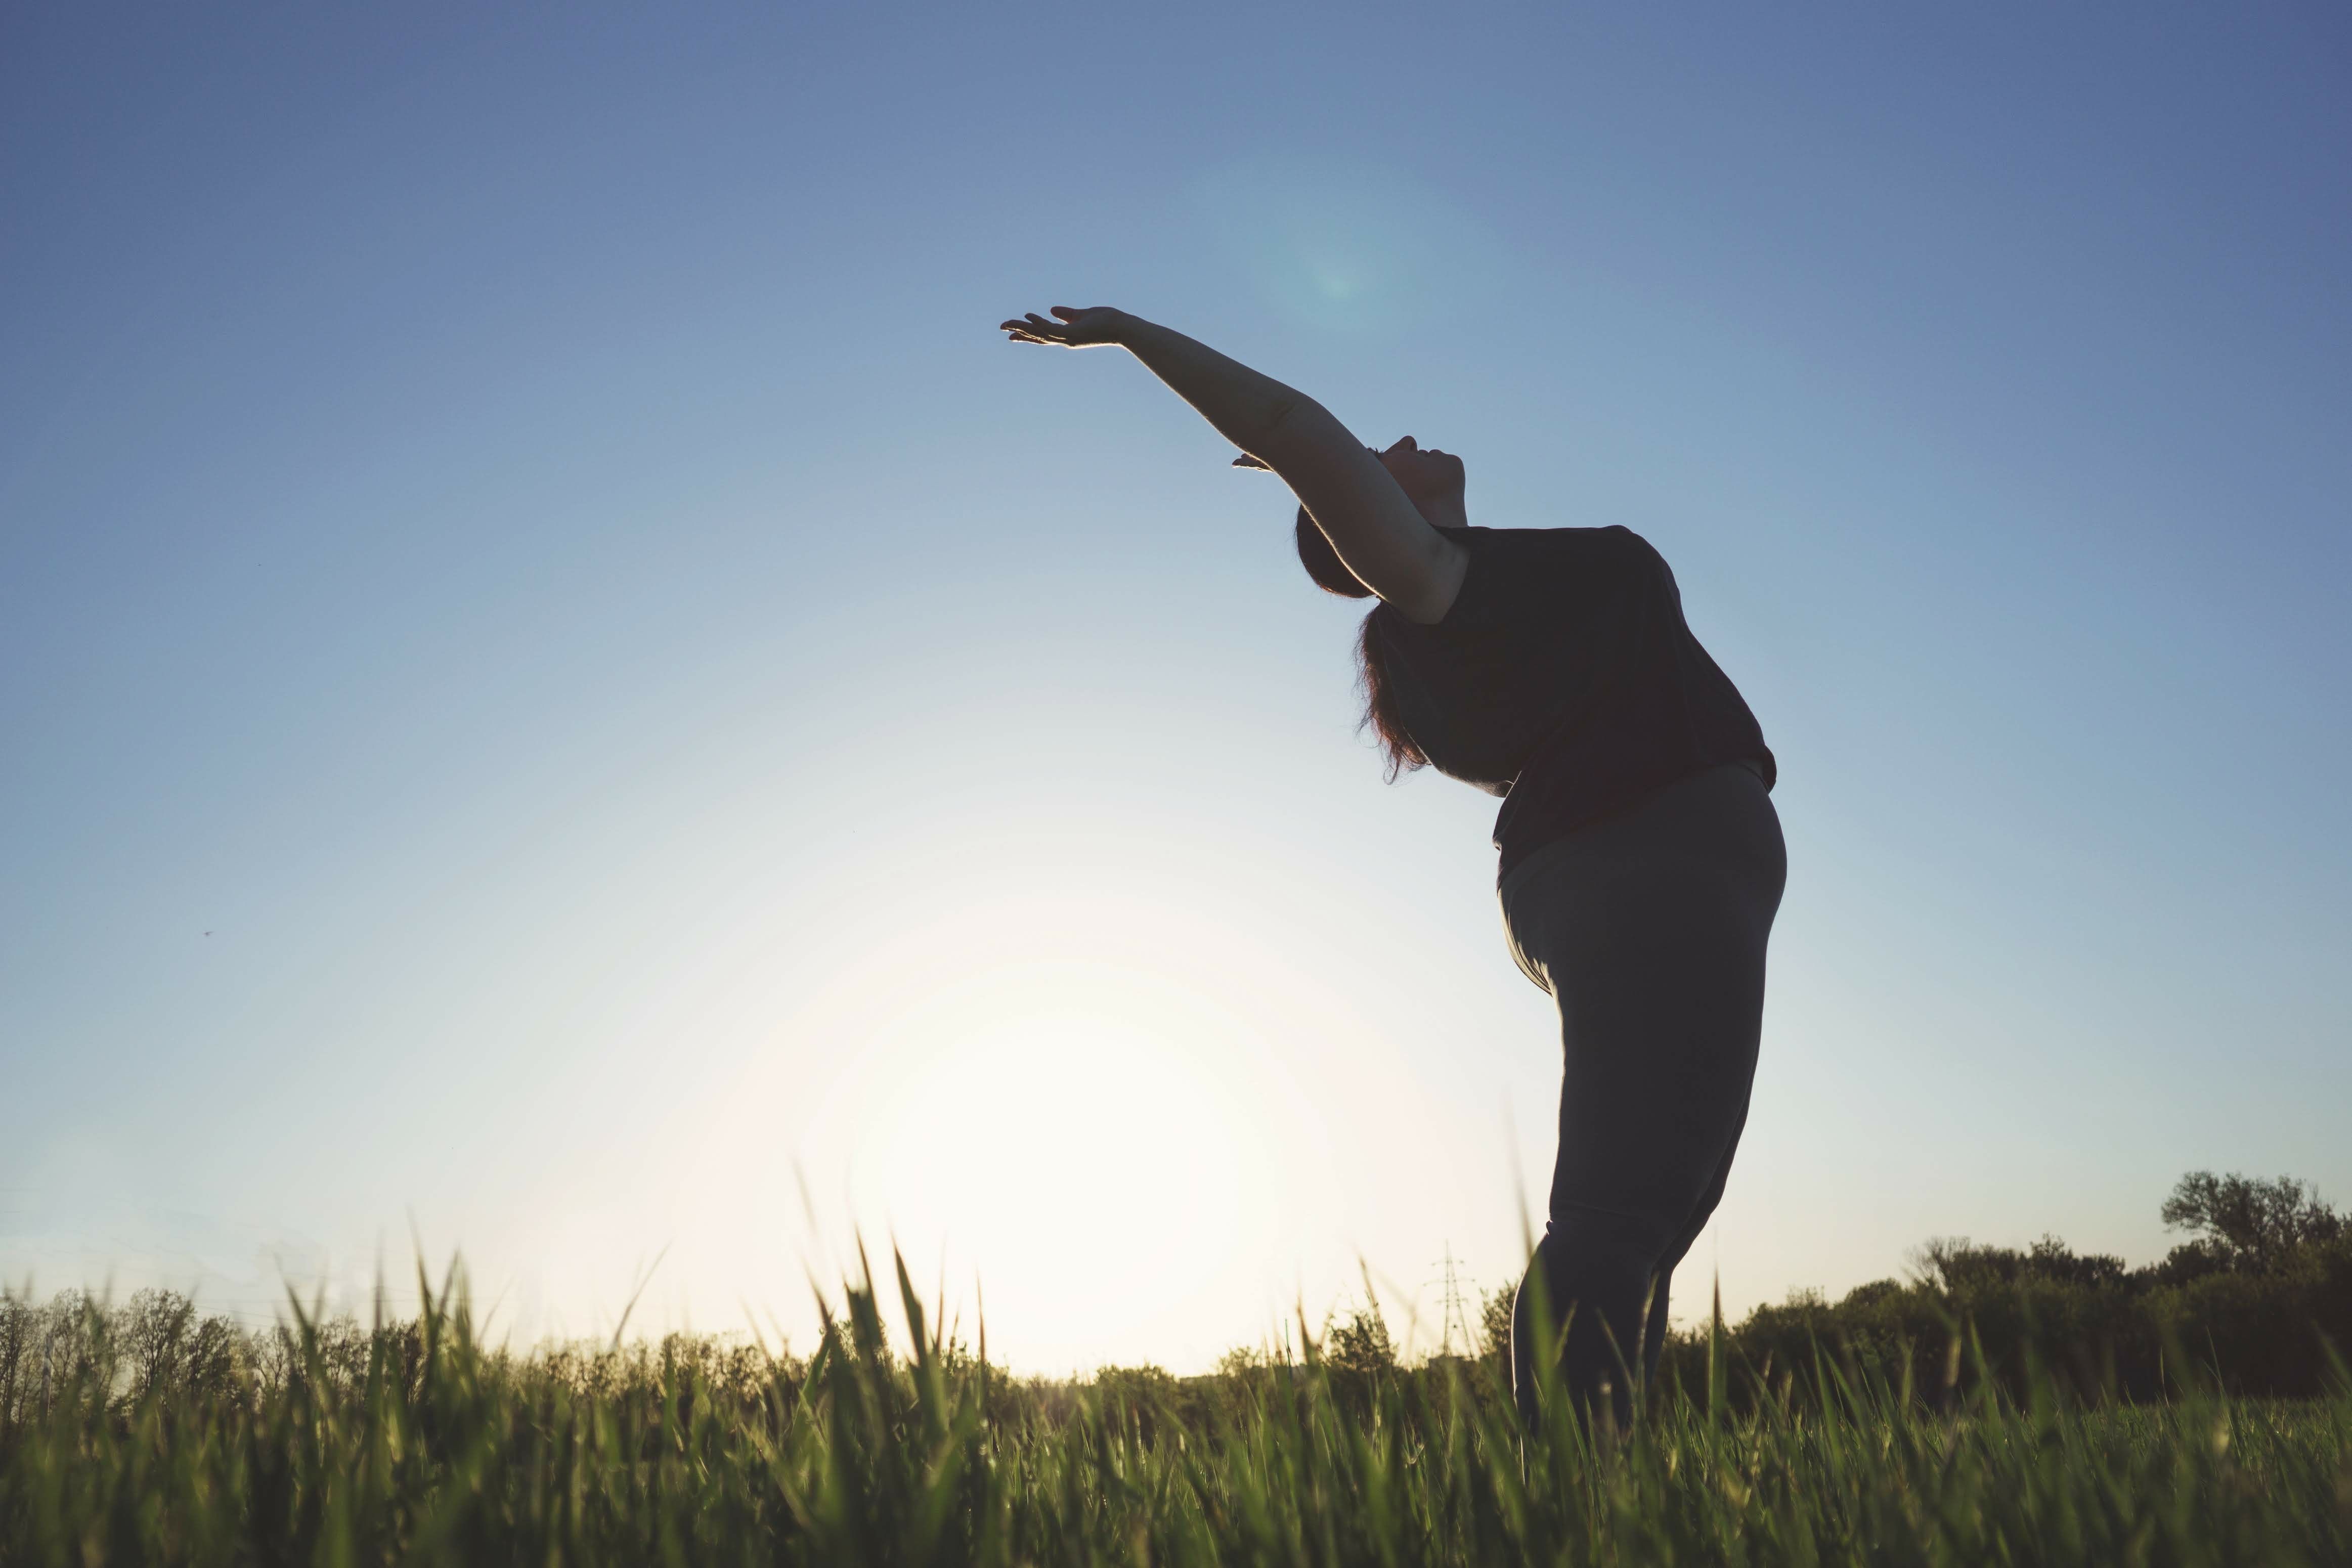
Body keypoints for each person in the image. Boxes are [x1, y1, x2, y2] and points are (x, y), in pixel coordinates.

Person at [1000, 306, 1785, 1428]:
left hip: (1670, 869)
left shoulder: (1495, 605)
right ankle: (1571, 1501)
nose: (1400, 440)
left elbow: (1305, 445)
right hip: (1641, 865)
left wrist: (1308, 466)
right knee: (1619, 1213)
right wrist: (1131, 335)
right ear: (1369, 520)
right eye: (1377, 462)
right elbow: (1287, 419)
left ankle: (1620, 1488)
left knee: (1655, 1214)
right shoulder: (1435, 590)